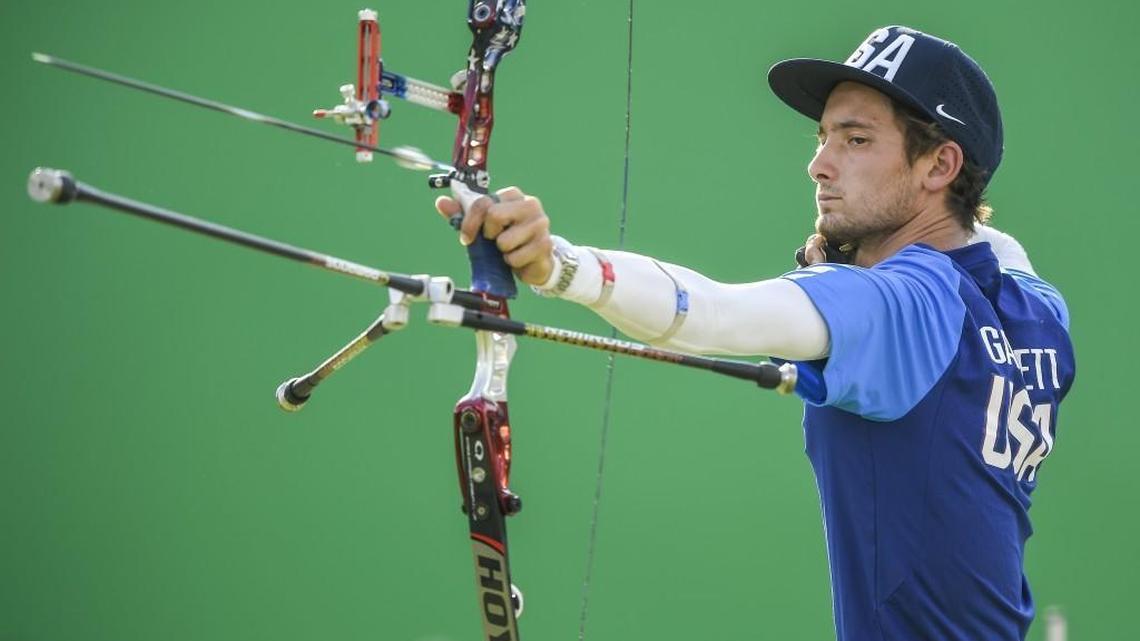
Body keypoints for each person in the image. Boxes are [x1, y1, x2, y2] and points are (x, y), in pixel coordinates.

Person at [436, 25, 1076, 641]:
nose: (819, 166)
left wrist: (558, 266)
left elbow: (712, 313)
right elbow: (994, 242)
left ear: (939, 165)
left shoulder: (903, 303)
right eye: (822, 136)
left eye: (856, 141)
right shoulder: (1034, 305)